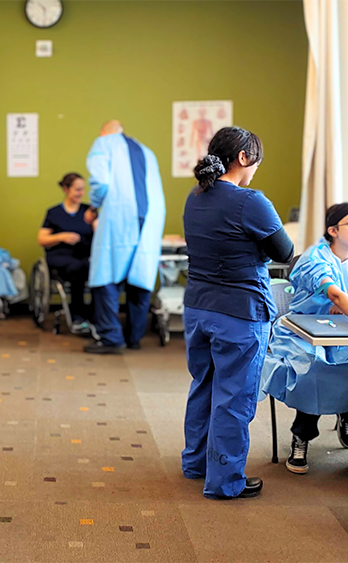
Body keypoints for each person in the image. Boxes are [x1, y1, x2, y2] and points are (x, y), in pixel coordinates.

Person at [181, 126, 294, 499]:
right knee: (234, 397)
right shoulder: (250, 201)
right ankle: (225, 481)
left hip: (198, 308)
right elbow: (284, 251)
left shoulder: (194, 198)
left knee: (204, 386)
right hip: (239, 314)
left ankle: (196, 463)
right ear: (244, 158)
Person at [260, 203, 348, 475]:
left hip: (347, 326)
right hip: (303, 328)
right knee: (314, 367)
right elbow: (335, 294)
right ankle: (302, 434)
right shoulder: (315, 258)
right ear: (333, 230)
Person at [82, 120, 166, 354]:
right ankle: (134, 338)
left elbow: (100, 181)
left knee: (105, 276)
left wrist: (93, 207)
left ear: (104, 132)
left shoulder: (104, 143)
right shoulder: (147, 151)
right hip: (151, 218)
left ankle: (111, 338)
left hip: (119, 213)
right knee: (139, 278)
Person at [38, 172, 94, 333]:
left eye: (83, 189)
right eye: (77, 189)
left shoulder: (88, 211)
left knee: (91, 267)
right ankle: (78, 317)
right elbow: (42, 239)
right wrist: (61, 236)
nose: (81, 193)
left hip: (84, 254)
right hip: (61, 256)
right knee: (79, 267)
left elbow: (99, 232)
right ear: (66, 189)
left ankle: (92, 314)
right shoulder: (54, 213)